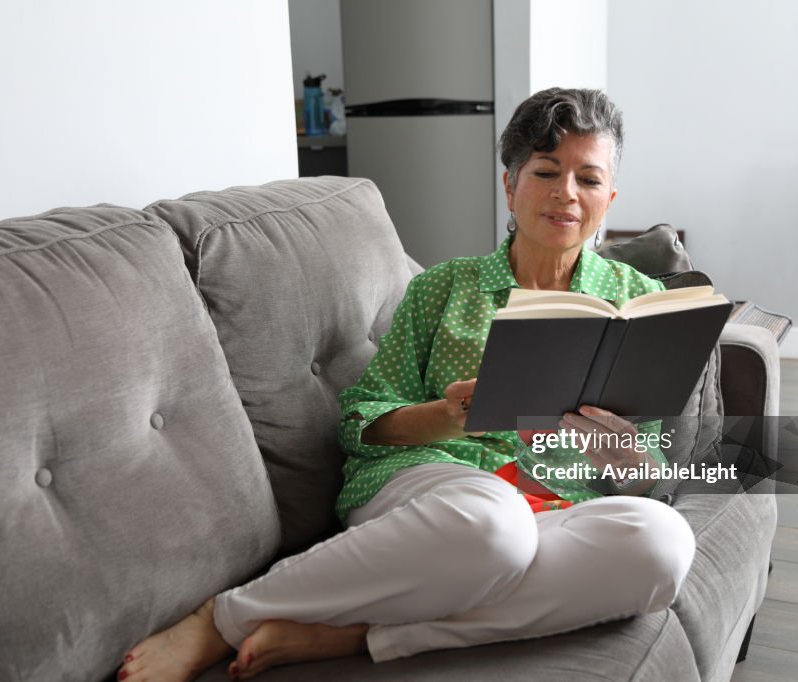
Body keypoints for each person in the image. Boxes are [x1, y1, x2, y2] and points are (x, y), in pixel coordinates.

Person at [117, 88, 696, 682]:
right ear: (510, 186)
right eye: (546, 171)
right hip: (441, 494)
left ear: (610, 197)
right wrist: (446, 416)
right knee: (494, 524)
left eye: (589, 179)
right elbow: (361, 422)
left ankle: (363, 636)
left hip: (558, 503)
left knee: (663, 546)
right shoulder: (442, 289)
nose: (566, 193)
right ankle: (224, 617)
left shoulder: (639, 301)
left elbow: (645, 469)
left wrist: (629, 458)